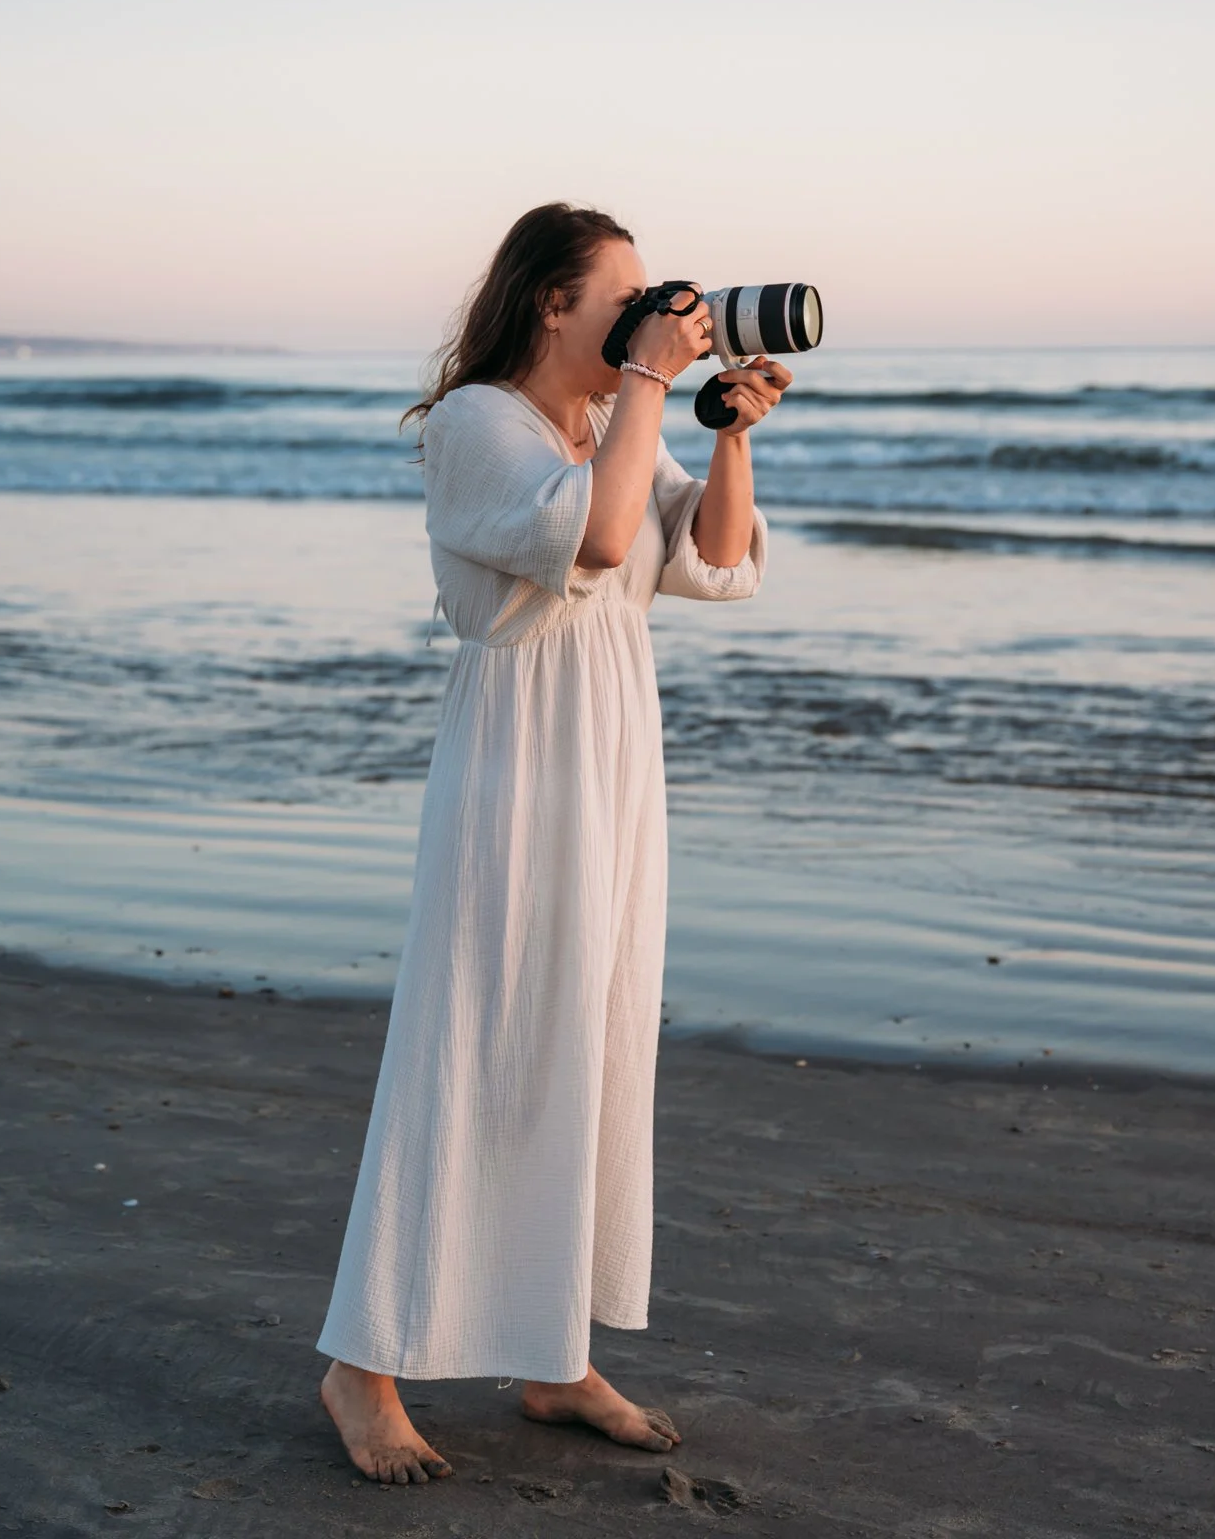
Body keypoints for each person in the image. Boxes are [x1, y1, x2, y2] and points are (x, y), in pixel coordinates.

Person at [316, 203, 788, 1484]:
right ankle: (362, 1366)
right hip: (514, 768)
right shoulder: (481, 424)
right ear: (550, 305)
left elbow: (718, 563)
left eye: (660, 302)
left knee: (594, 1043)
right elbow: (591, 538)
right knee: (471, 1043)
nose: (657, 318)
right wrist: (648, 384)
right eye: (629, 298)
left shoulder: (604, 424)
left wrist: (728, 438)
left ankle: (552, 1353)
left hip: (616, 760)